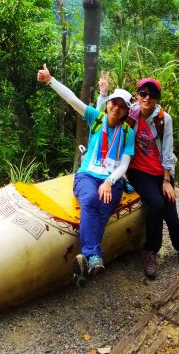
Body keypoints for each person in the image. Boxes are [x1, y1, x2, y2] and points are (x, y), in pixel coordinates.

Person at [37, 63, 135, 285]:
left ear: (126, 111)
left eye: (122, 106)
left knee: (104, 205)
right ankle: (93, 255)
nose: (116, 108)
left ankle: (86, 262)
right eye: (114, 103)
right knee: (91, 199)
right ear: (108, 103)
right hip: (88, 176)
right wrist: (51, 80)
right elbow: (73, 100)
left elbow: (124, 164)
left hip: (113, 181)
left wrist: (110, 182)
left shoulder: (128, 132)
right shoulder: (96, 118)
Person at [98, 76, 179, 279]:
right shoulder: (130, 113)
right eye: (143, 93)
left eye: (152, 95)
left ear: (157, 98)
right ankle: (151, 250)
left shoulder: (163, 119)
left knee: (171, 212)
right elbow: (104, 117)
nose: (147, 98)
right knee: (157, 206)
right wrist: (103, 94)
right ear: (137, 95)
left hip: (161, 172)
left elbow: (168, 151)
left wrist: (167, 181)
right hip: (138, 171)